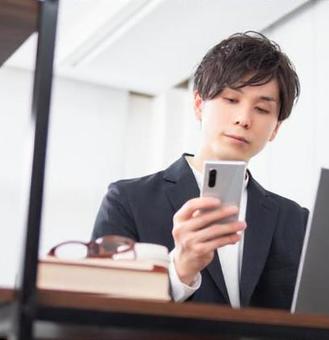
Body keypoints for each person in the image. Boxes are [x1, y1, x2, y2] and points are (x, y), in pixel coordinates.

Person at [92, 31, 308, 310]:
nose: (243, 119)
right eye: (231, 100)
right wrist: (180, 270)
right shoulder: (128, 200)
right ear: (198, 105)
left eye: (262, 109)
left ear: (275, 129)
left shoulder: (295, 220)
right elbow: (98, 308)